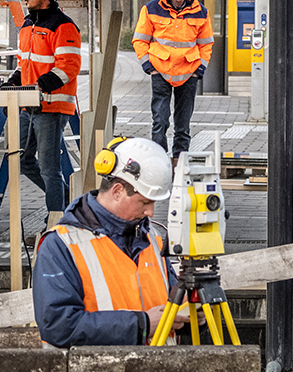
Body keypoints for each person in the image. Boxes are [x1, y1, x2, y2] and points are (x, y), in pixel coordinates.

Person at [32, 136, 187, 347]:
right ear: (117, 191)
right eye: (144, 202)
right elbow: (58, 326)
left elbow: (166, 301)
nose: (150, 212)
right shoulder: (60, 245)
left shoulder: (152, 238)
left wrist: (189, 316)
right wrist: (140, 325)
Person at [1, 0, 84, 226]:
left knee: (49, 168)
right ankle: (66, 199)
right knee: (24, 161)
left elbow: (69, 66)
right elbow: (23, 63)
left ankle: (57, 222)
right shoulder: (27, 25)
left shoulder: (64, 27)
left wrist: (39, 87)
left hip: (51, 107)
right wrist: (14, 84)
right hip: (29, 105)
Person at [134, 0, 213, 160]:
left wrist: (199, 70)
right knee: (160, 121)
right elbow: (139, 40)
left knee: (183, 124)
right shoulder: (151, 9)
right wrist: (149, 66)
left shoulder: (201, 12)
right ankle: (158, 159)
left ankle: (180, 162)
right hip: (160, 71)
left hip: (189, 73)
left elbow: (206, 44)